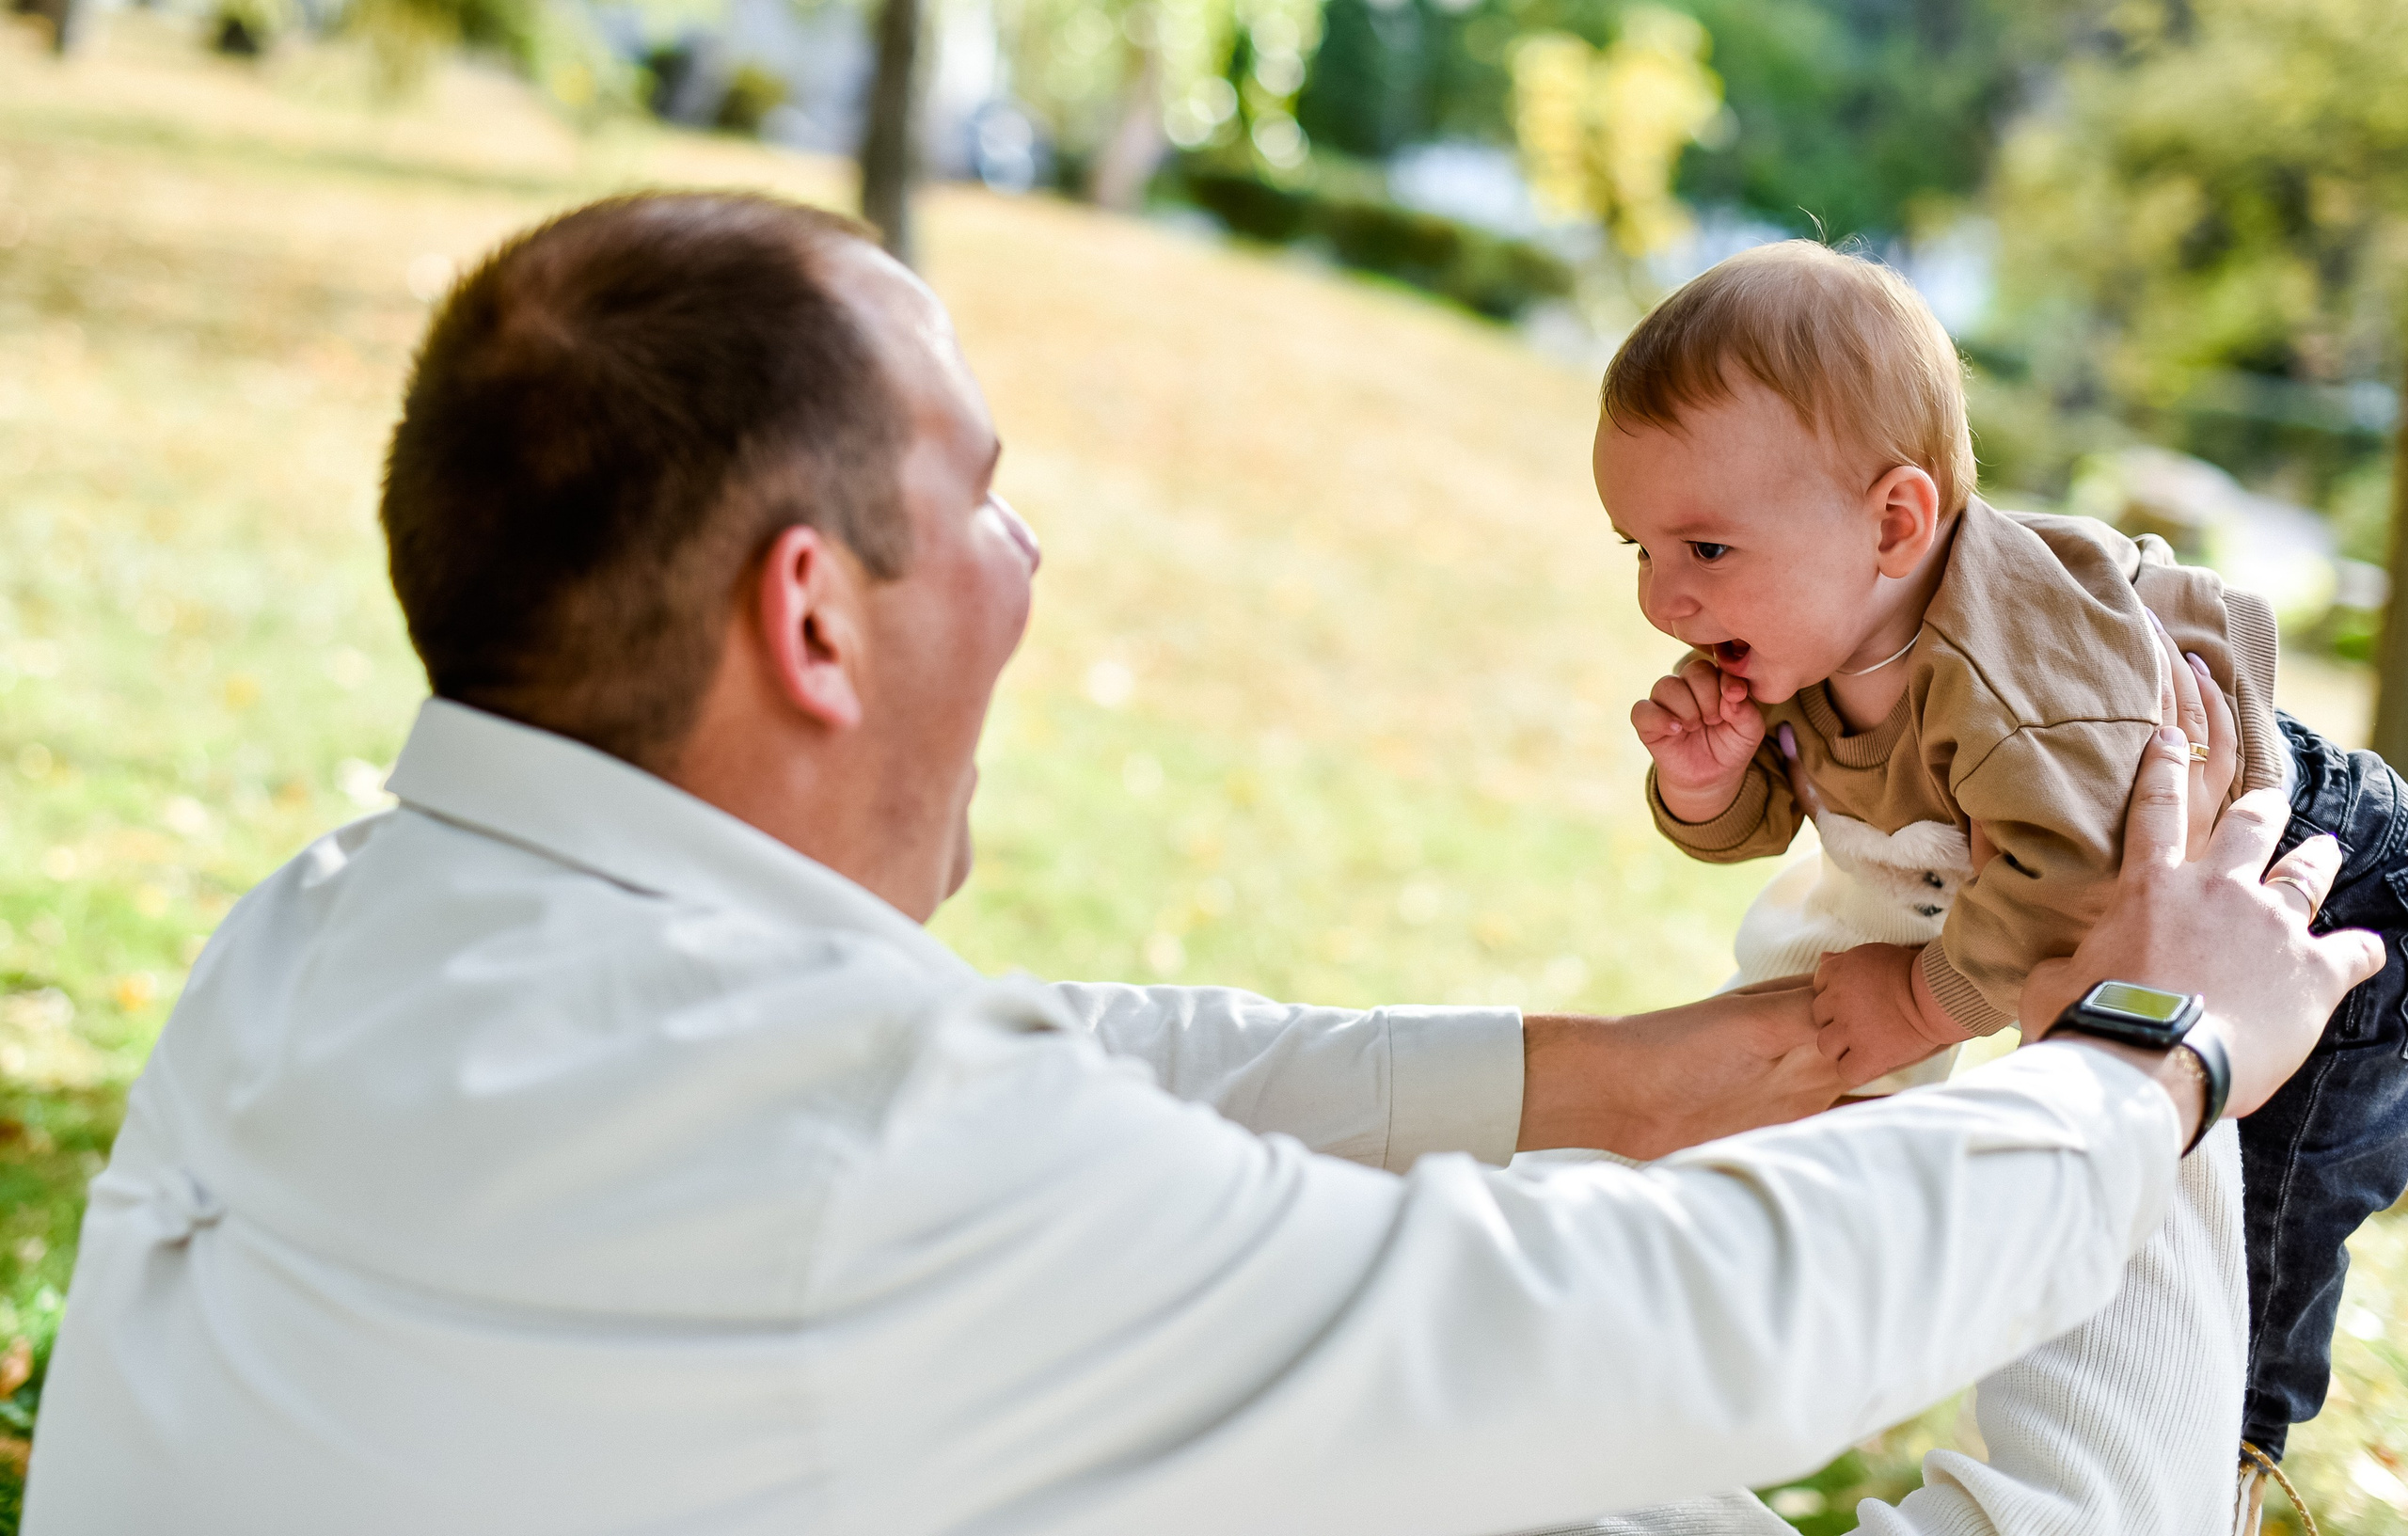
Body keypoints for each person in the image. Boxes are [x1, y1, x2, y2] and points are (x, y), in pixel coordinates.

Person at [21, 193, 2378, 1536]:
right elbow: (1653, 1331)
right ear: (810, 616)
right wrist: (2148, 1041)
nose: (1032, 563)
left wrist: (1659, 1069)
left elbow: (1103, 1066)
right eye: (984, 500)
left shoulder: (324, 944)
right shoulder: (871, 1178)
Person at [1608, 240, 2408, 1491]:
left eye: (1704, 550)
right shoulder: (1819, 630)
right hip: (2108, 871)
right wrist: (1707, 783)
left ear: (1894, 521)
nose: (1664, 598)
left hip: (2319, 887)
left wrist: (1923, 998)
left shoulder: (2009, 682)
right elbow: (1790, 808)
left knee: (2247, 1222)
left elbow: (2096, 887)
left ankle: (2231, 1480)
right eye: (1638, 551)